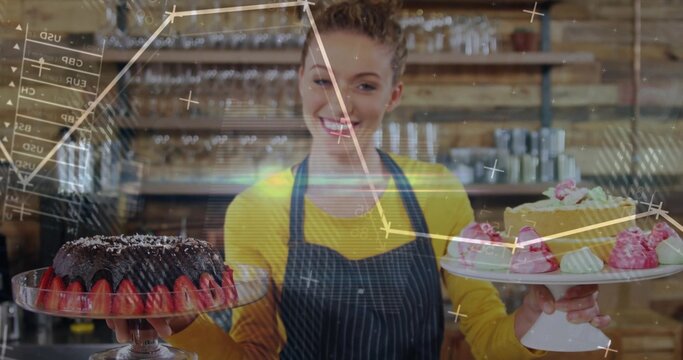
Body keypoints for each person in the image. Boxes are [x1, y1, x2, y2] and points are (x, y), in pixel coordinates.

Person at [108, 1, 610, 358]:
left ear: (394, 95)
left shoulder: (437, 195)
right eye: (322, 80)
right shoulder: (256, 210)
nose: (339, 104)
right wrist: (184, 327)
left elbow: (483, 333)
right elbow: (253, 353)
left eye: (364, 85)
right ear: (299, 81)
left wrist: (531, 321)